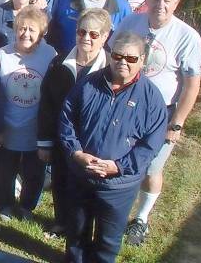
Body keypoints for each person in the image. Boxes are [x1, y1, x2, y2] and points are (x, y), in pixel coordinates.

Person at [114, 0, 201, 246]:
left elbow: (191, 86)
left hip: (161, 113)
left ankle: (141, 218)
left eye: (168, 0)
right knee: (121, 161)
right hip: (125, 104)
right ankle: (116, 211)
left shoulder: (187, 36)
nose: (161, 5)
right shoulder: (131, 22)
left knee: (152, 167)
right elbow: (114, 56)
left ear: (177, 3)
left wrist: (176, 124)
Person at [59, 31, 167, 263]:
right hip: (82, 176)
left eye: (131, 58)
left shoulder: (152, 98)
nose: (123, 62)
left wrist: (118, 167)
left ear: (142, 60)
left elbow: (152, 144)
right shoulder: (87, 84)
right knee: (76, 236)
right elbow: (67, 119)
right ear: (110, 55)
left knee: (108, 243)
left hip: (118, 186)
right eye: (118, 56)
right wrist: (76, 153)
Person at [37, 8, 111, 238]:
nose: (86, 38)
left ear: (105, 36)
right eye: (82, 32)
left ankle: (81, 228)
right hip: (61, 139)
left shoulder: (110, 69)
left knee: (86, 186)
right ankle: (61, 222)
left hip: (92, 141)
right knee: (60, 181)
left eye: (94, 34)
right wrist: (45, 143)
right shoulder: (59, 63)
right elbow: (47, 105)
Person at [0, 6, 56, 221]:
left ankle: (27, 206)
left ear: (41, 34)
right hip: (8, 126)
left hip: (35, 128)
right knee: (5, 171)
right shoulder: (3, 54)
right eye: (22, 28)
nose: (25, 34)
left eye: (32, 30)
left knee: (34, 172)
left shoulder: (49, 55)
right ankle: (4, 204)